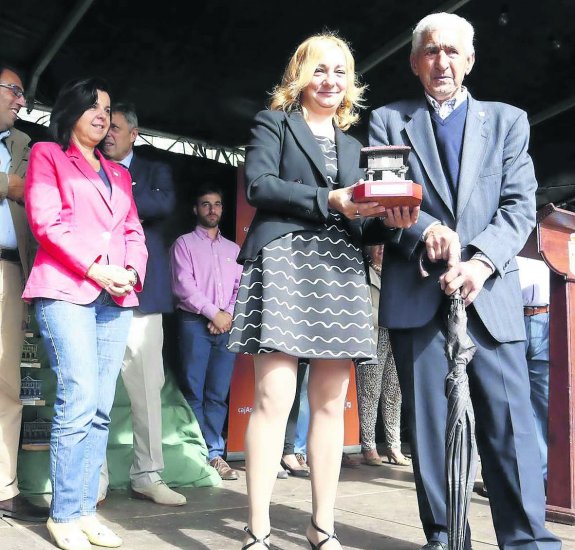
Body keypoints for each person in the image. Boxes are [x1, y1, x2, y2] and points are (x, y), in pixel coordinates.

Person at [366, 12, 561, 550]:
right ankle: (446, 539)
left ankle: (528, 541)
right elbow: (385, 198)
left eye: (453, 51)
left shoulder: (508, 121)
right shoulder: (387, 120)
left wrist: (477, 263)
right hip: (418, 298)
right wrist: (427, 230)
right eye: (430, 51)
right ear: (413, 63)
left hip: (490, 295)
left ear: (470, 61)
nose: (442, 61)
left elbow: (520, 206)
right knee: (431, 434)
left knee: (510, 430)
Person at [227, 32, 416, 550]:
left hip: (340, 269)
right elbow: (259, 186)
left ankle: (321, 526)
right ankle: (257, 529)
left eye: (340, 71)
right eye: (319, 69)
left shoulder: (358, 146)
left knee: (332, 405)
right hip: (286, 258)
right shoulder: (275, 124)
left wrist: (393, 221)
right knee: (272, 398)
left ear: (351, 83)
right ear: (299, 76)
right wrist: (330, 199)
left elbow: (368, 222)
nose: (330, 80)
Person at [23, 77, 147, 550]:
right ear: (70, 110)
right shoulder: (47, 155)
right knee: (77, 399)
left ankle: (86, 512)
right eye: (93, 106)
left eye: (108, 109)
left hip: (116, 296)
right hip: (67, 289)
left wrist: (131, 273)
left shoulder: (117, 173)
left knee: (98, 408)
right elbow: (46, 221)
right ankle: (65, 513)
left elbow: (133, 231)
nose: (103, 115)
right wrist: (98, 269)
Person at [100, 102, 185, 506]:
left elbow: (162, 206)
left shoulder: (154, 170)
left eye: (114, 127)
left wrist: (114, 189)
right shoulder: (87, 165)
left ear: (134, 132)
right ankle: (92, 480)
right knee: (95, 390)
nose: (107, 133)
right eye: (104, 126)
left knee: (146, 389)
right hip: (95, 290)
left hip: (142, 296)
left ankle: (147, 474)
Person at [0, 62, 49, 522]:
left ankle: (3, 487)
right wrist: (6, 185)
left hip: (11, 271)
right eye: (14, 90)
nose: (22, 100)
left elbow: (35, 194)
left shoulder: (24, 145)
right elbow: (15, 188)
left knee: (7, 384)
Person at [170, 183, 242, 482]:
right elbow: (184, 286)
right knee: (192, 392)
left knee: (217, 395)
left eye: (217, 204)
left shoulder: (233, 249)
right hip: (194, 325)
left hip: (226, 327)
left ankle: (214, 454)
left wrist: (226, 315)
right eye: (205, 204)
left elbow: (241, 288)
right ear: (195, 209)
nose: (212, 209)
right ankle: (195, 453)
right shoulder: (183, 244)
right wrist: (215, 313)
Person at [356, 245, 410, 466]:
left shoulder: (396, 271)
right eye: (376, 245)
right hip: (372, 336)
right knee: (369, 392)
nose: (380, 249)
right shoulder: (362, 271)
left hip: (396, 334)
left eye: (383, 245)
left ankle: (393, 446)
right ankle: (368, 446)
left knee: (394, 392)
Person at [518, 255, 551, 481]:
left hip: (547, 317)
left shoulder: (555, 226)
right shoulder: (509, 221)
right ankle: (509, 477)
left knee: (545, 401)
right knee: (509, 401)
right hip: (509, 318)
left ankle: (544, 479)